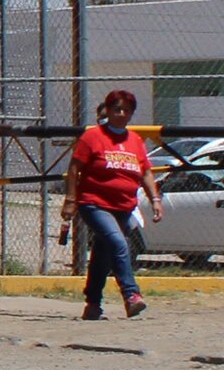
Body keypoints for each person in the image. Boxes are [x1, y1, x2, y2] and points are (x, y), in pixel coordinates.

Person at [61, 88, 162, 319]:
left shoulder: (135, 140)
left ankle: (93, 303)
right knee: (118, 243)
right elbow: (74, 169)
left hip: (124, 207)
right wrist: (70, 199)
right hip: (94, 204)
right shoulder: (93, 137)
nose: (122, 114)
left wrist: (155, 199)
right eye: (117, 109)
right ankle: (131, 295)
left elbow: (145, 172)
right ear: (108, 110)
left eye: (127, 110)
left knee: (102, 256)